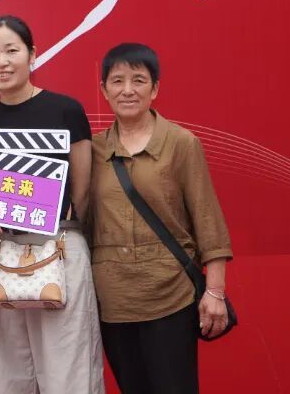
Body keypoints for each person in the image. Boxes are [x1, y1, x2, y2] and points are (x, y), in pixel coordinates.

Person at [0, 15, 105, 394]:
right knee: (8, 368)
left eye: (12, 50)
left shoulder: (66, 110)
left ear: (32, 54)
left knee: (68, 366)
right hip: (3, 252)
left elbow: (82, 192)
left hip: (60, 246)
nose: (2, 62)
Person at [89, 42, 233, 393]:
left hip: (171, 295)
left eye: (138, 80)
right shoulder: (92, 150)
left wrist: (215, 292)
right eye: (117, 81)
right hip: (114, 299)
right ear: (104, 90)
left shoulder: (182, 143)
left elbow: (208, 220)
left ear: (154, 89)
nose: (127, 90)